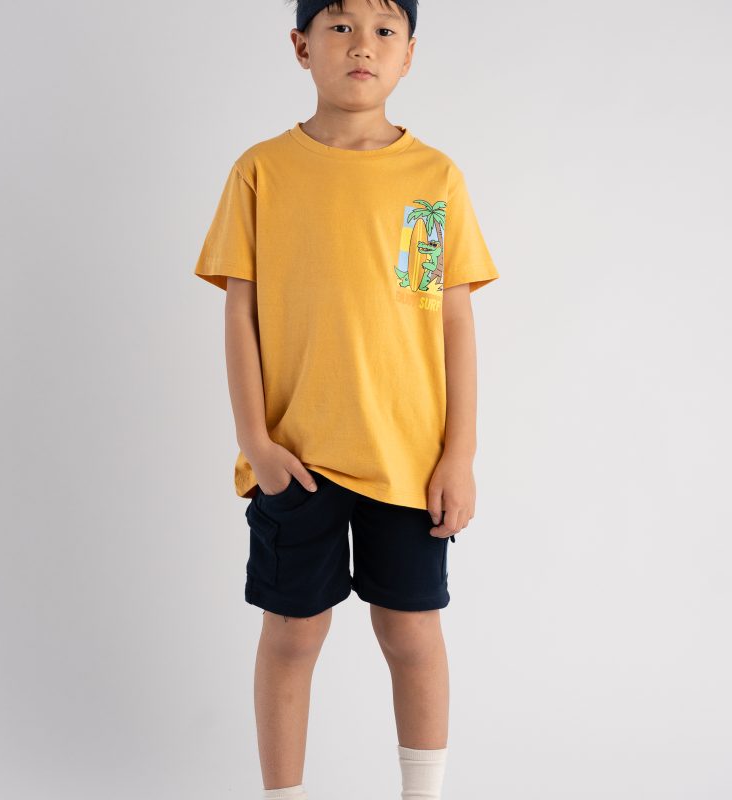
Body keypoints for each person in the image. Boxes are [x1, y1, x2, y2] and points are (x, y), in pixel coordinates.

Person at [193, 1, 500, 798]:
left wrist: (458, 455)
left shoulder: (431, 180)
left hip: (408, 462)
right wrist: (256, 442)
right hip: (297, 459)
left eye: (384, 31)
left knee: (411, 631)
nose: (363, 45)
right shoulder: (261, 172)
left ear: (409, 53)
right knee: (292, 636)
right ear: (301, 46)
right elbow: (239, 313)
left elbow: (450, 318)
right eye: (340, 27)